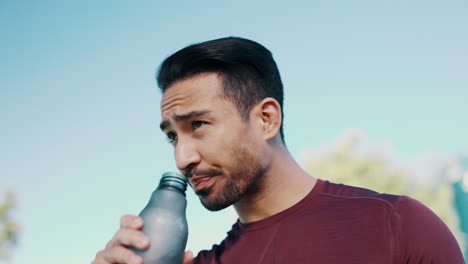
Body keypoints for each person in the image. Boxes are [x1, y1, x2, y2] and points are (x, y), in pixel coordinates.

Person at [92, 37, 465, 264]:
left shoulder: (397, 224)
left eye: (198, 126)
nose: (182, 158)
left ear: (266, 119)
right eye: (172, 136)